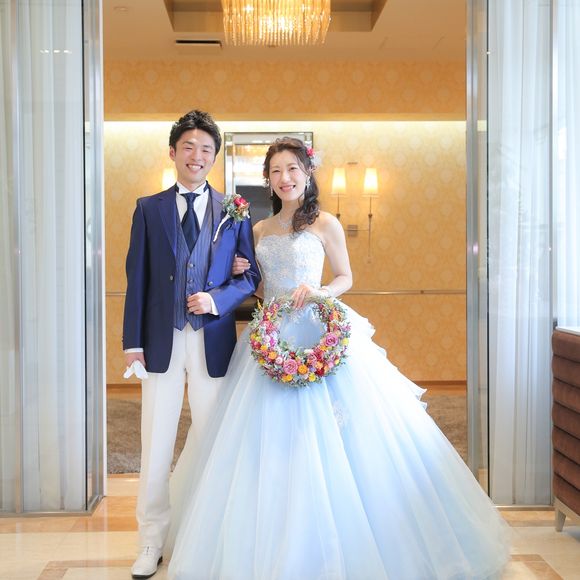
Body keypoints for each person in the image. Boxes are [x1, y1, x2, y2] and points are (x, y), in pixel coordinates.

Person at [165, 137, 510, 579]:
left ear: (307, 173)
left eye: (292, 169)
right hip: (270, 334)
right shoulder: (258, 230)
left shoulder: (325, 223)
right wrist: (242, 274)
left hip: (318, 327)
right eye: (276, 171)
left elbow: (346, 276)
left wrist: (320, 292)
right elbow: (260, 286)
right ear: (267, 179)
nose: (285, 178)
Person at [122, 109, 260, 579]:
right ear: (173, 152)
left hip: (212, 341)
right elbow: (137, 279)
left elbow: (250, 277)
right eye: (188, 147)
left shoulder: (234, 210)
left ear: (214, 157)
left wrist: (217, 298)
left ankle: (214, 536)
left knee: (214, 441)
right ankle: (150, 540)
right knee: (155, 444)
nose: (197, 155)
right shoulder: (148, 208)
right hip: (160, 340)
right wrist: (132, 343)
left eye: (205, 149)